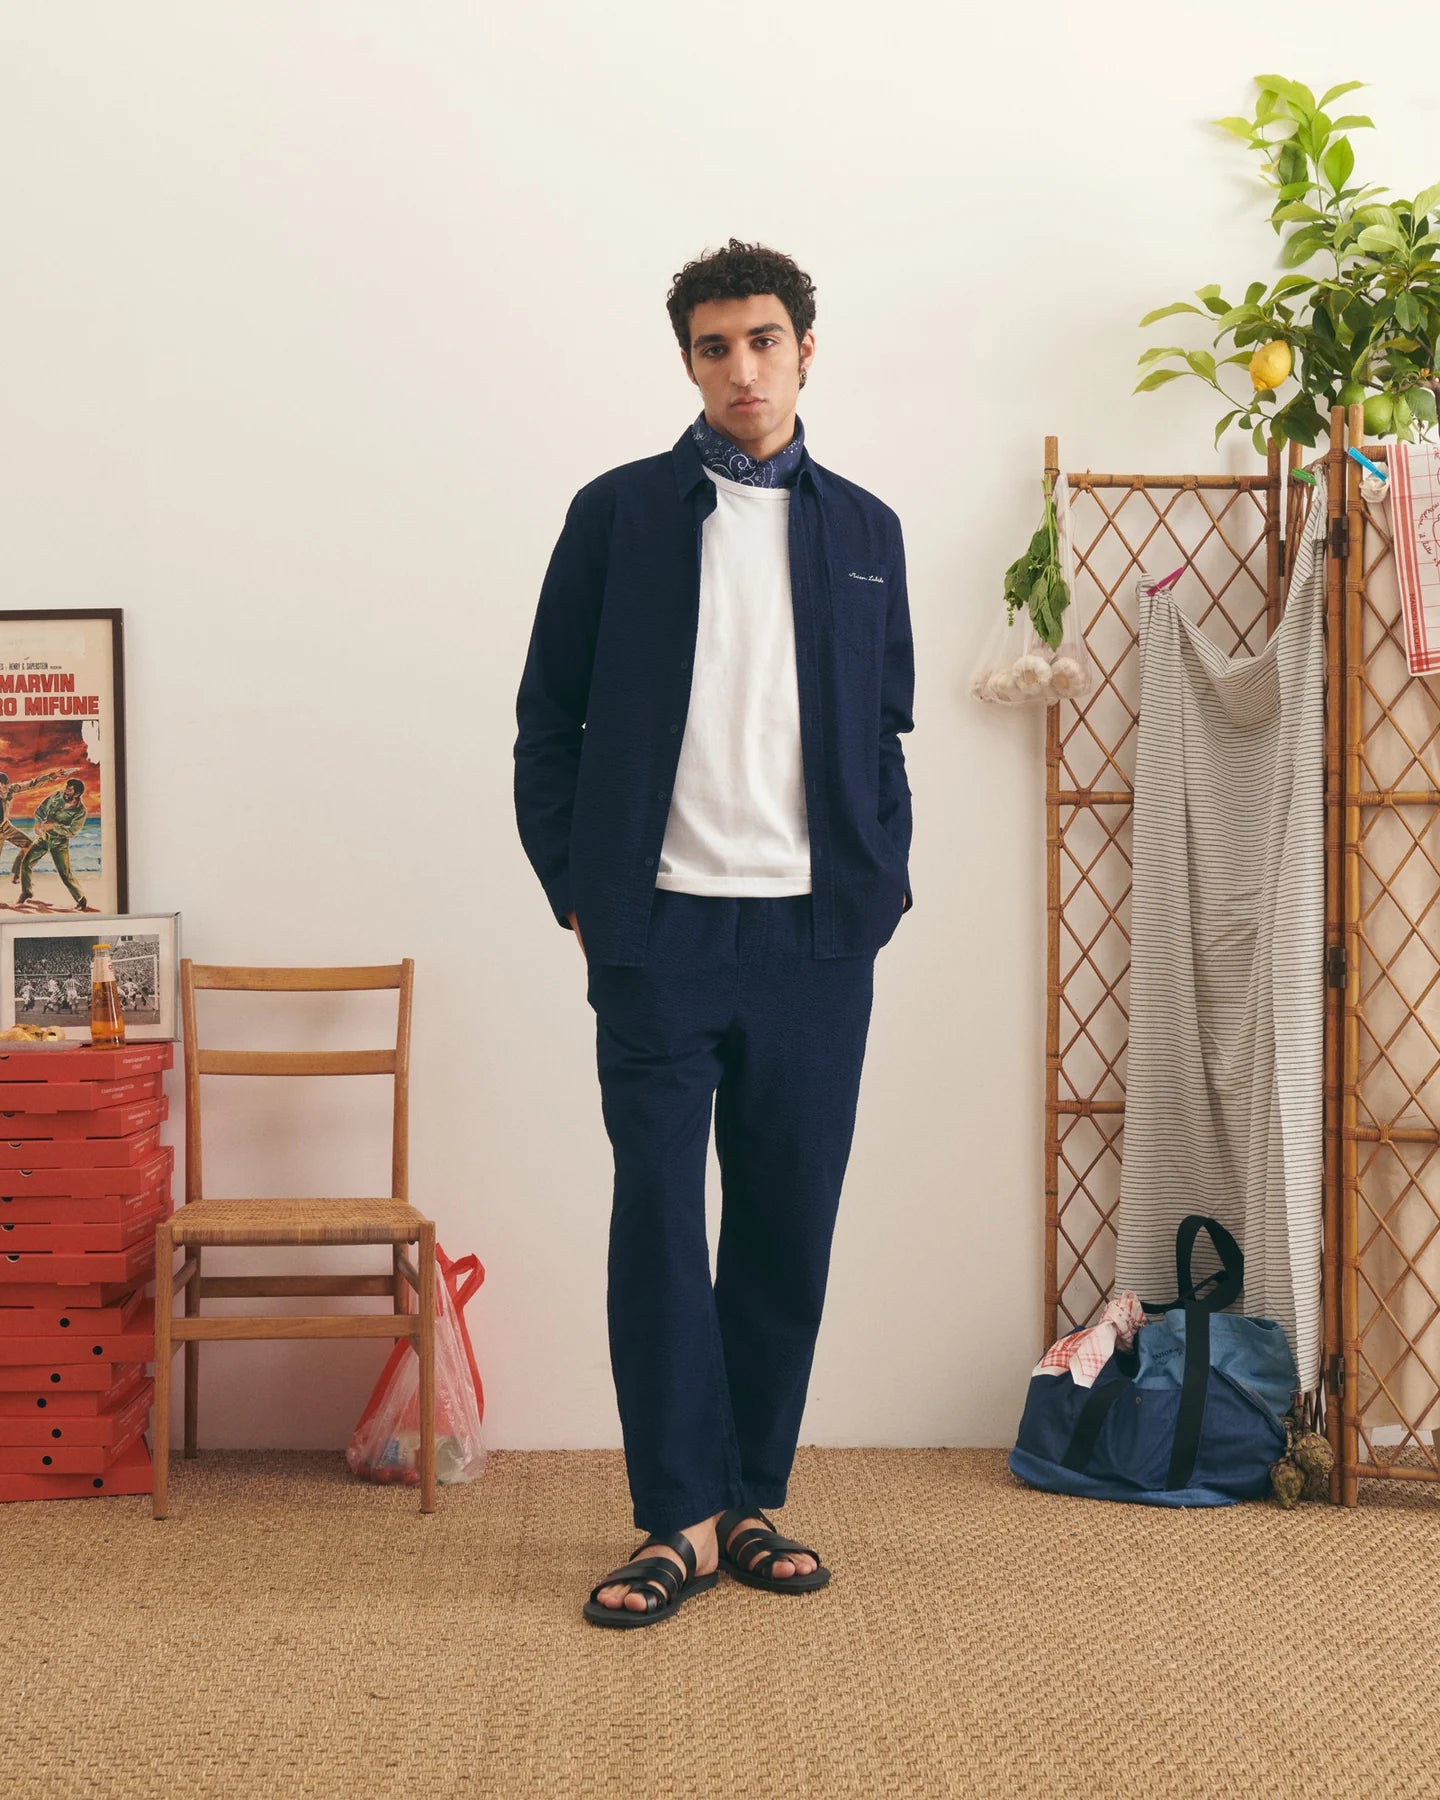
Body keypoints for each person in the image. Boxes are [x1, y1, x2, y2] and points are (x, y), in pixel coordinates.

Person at [514, 237, 915, 1630]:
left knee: (787, 1220)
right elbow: (548, 722)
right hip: (660, 934)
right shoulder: (619, 515)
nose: (742, 368)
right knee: (659, 1225)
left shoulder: (866, 532)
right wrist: (579, 890)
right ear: (688, 362)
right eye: (714, 347)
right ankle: (674, 1519)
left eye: (764, 340)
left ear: (806, 349)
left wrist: (879, 882)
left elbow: (884, 728)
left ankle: (750, 1499)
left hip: (817, 936)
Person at [17, 776, 94, 910]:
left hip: (60, 843)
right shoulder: (57, 796)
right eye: (66, 788)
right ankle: (26, 892)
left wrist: (54, 826)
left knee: (65, 874)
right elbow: (41, 810)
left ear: (77, 794)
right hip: (44, 838)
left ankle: (81, 900)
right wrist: (38, 823)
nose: (66, 791)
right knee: (26, 863)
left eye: (69, 790)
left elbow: (71, 831)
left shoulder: (80, 811)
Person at [0, 766, 76, 884]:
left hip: (6, 827)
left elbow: (32, 783)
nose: (6, 789)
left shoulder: (11, 789)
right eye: (3, 786)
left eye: (7, 785)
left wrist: (52, 776)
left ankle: (17, 874)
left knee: (29, 847)